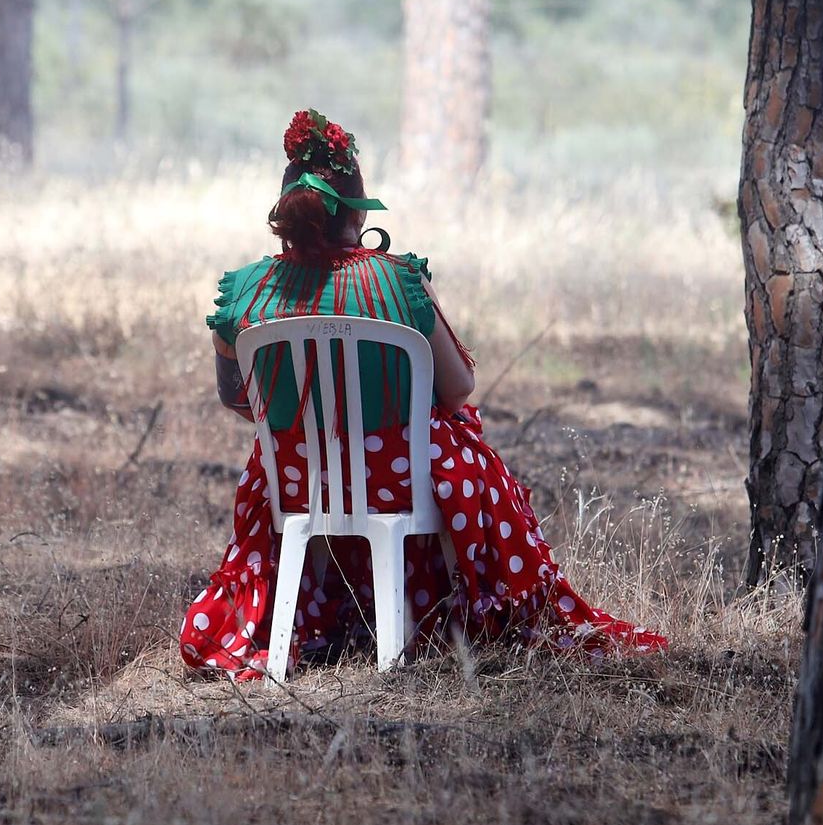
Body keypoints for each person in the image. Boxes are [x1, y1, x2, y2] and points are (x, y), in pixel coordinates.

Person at [180, 110, 666, 678]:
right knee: (459, 443)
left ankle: (328, 614)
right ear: (356, 215)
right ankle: (460, 613)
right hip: (401, 478)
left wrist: (314, 426)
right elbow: (459, 389)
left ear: (288, 216)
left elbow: (237, 398)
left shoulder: (243, 294)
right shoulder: (399, 281)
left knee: (280, 453)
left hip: (297, 480)